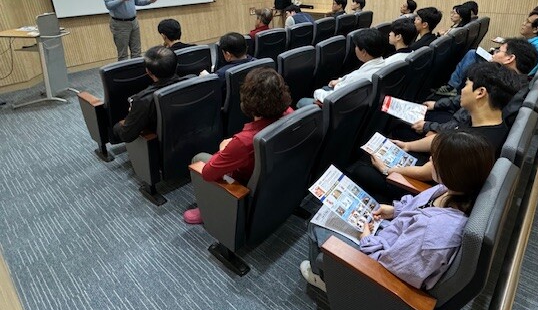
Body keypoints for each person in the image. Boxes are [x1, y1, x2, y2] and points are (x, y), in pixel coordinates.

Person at [300, 130, 495, 292]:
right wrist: (394, 210)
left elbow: (391, 268)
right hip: (391, 234)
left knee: (317, 224)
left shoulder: (431, 234)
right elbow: (419, 206)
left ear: (451, 172)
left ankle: (322, 278)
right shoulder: (450, 189)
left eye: (436, 158)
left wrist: (366, 240)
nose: (430, 159)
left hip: (378, 258)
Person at [348, 62, 519, 202]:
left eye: (466, 84)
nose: (462, 90)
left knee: (360, 169)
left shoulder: (475, 143)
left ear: (480, 93)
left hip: (433, 190)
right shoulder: (486, 121)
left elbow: (427, 172)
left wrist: (387, 170)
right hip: (438, 171)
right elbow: (441, 138)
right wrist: (408, 146)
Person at [184, 68, 293, 224]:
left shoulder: (243, 142)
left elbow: (208, 174)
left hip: (243, 187)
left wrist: (224, 149)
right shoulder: (290, 113)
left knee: (199, 159)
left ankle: (209, 207)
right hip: (275, 180)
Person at [417, 38, 538, 135]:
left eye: (498, 51)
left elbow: (465, 123)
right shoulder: (516, 83)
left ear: (509, 58)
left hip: (457, 135)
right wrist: (437, 104)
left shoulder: (503, 87)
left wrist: (430, 127)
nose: (493, 54)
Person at [435, 10, 538, 96]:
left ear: (536, 29)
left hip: (510, 74)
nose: (523, 23)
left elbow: (527, 70)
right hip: (510, 70)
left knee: (472, 55)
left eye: (527, 22)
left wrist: (496, 61)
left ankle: (453, 87)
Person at [296, 29, 386, 107]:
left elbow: (332, 98)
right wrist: (340, 81)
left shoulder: (360, 78)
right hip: (356, 103)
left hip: (340, 106)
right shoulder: (383, 65)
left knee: (302, 101)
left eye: (356, 46)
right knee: (326, 87)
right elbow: (356, 75)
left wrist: (317, 92)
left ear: (364, 52)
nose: (355, 48)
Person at [112, 46, 181, 143]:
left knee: (117, 127)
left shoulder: (143, 100)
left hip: (162, 144)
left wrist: (127, 119)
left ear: (148, 71)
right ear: (176, 66)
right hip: (191, 136)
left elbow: (127, 136)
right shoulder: (194, 81)